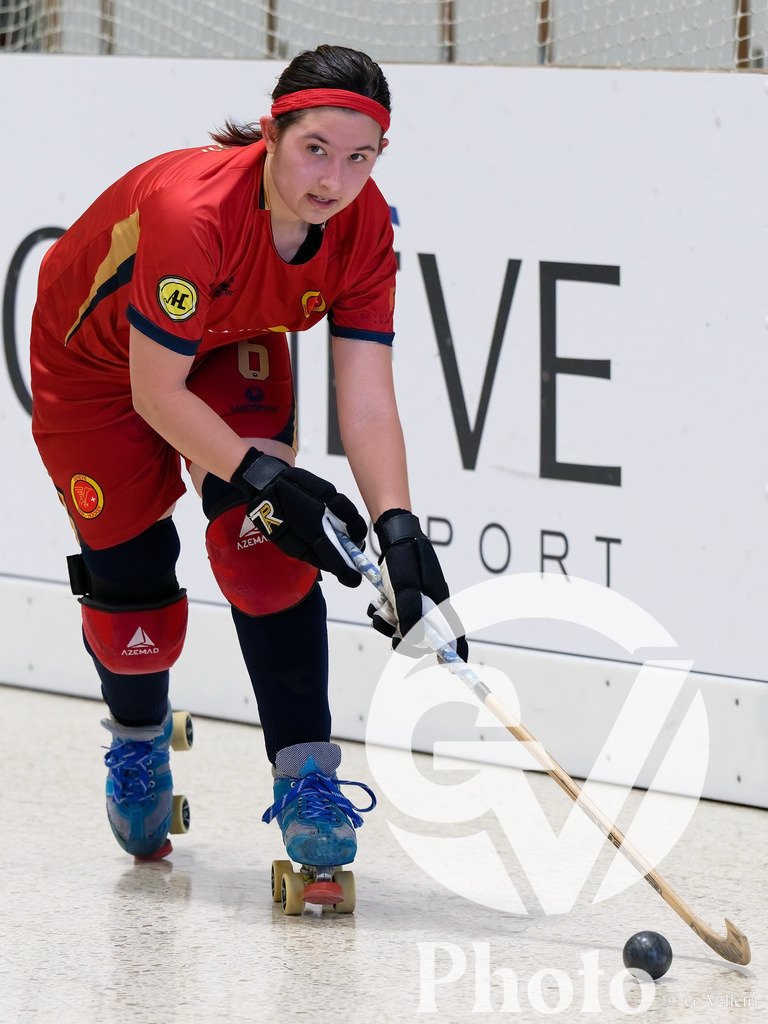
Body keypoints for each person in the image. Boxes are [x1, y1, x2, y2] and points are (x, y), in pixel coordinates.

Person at [30, 44, 467, 876]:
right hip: (93, 364)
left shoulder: (364, 225)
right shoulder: (193, 212)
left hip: (227, 338)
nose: (332, 181)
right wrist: (272, 475)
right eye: (314, 150)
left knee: (265, 546)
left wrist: (401, 531)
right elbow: (158, 393)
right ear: (270, 132)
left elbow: (367, 396)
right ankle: (136, 739)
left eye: (358, 158)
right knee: (136, 596)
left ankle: (307, 779)